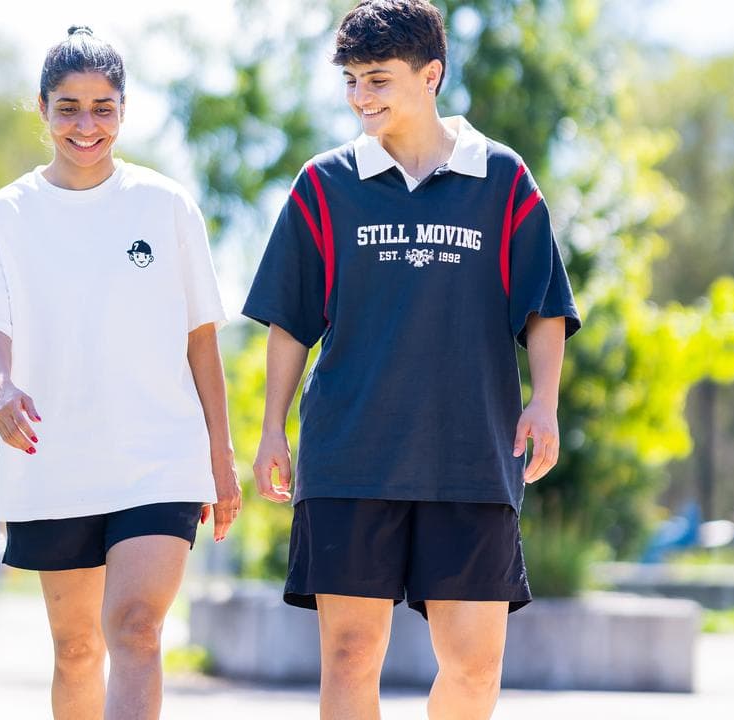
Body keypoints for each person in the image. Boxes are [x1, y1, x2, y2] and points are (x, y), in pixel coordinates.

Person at [243, 1, 581, 718]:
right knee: (349, 655)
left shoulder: (502, 178)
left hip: (471, 457)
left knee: (474, 668)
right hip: (349, 456)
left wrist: (544, 402)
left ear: (430, 76)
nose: (360, 97)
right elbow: (290, 323)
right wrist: (273, 428)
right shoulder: (323, 184)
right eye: (351, 81)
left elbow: (544, 307)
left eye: (378, 80)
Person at [0, 26, 240, 720]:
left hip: (159, 459)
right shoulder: (5, 213)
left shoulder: (166, 206)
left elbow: (201, 340)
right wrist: (1, 387)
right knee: (78, 649)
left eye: (103, 108)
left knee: (135, 628)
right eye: (69, 108)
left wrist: (220, 455)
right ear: (43, 109)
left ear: (124, 110)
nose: (87, 126)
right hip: (54, 457)